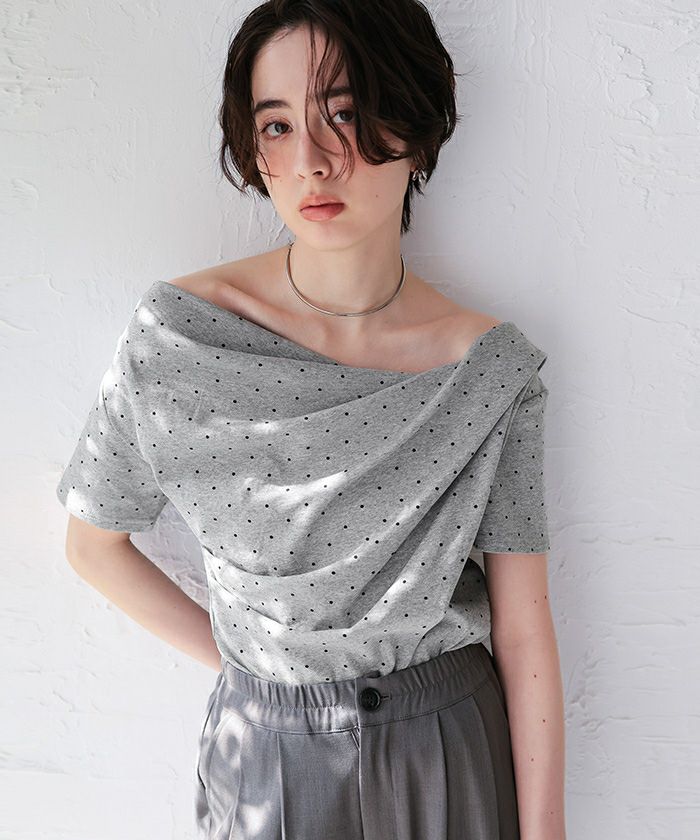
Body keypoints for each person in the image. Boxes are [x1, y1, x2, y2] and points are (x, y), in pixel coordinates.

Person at [56, 1, 567, 838]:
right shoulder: (182, 337)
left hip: (446, 743)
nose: (312, 162)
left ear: (415, 125)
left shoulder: (488, 371)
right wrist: (258, 675)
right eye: (277, 125)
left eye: (345, 115)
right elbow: (93, 545)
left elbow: (523, 628)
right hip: (268, 753)